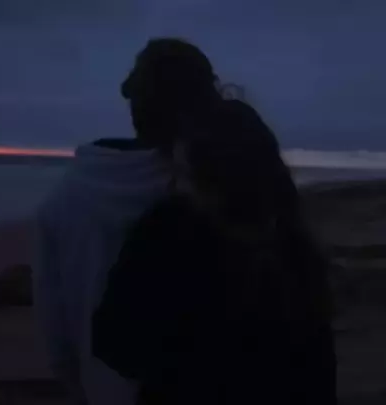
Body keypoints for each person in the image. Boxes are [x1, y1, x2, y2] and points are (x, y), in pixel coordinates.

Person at [92, 100, 337, 404]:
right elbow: (318, 377)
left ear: (214, 182)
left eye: (183, 173)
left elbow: (114, 344)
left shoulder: (169, 235)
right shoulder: (294, 249)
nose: (174, 185)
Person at [34, 38, 226, 405]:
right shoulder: (218, 193)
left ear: (134, 103)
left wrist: (79, 384)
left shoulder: (65, 198)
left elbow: (53, 321)